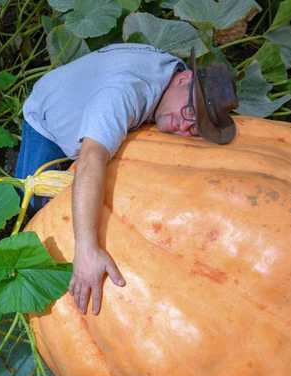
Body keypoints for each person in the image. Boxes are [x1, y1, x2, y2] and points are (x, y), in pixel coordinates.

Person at [14, 43, 239, 316]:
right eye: (190, 112)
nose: (183, 127)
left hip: (94, 102)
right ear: (185, 78)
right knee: (38, 207)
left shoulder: (169, 75)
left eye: (196, 127)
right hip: (49, 119)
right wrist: (86, 249)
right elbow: (90, 160)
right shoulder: (125, 92)